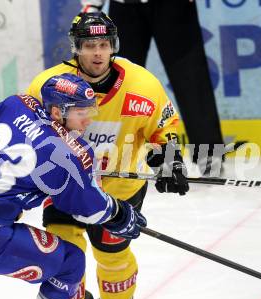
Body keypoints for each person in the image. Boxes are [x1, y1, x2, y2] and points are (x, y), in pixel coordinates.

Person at [0, 73, 146, 299]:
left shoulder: (18, 104)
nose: (88, 120)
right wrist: (120, 215)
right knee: (71, 263)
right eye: (81, 112)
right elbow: (91, 209)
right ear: (57, 112)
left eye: (90, 110)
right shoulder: (70, 153)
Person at [27, 12, 189, 299]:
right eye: (89, 45)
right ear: (76, 48)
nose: (97, 52)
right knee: (64, 255)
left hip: (120, 190)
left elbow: (162, 130)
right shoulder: (47, 85)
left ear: (113, 45)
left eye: (103, 44)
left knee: (111, 255)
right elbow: (26, 129)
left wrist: (169, 161)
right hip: (66, 186)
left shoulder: (142, 85)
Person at [81, 0, 226, 174]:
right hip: (125, 6)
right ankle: (108, 152)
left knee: (191, 74)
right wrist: (92, 4)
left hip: (173, 7)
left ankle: (209, 154)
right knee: (117, 79)